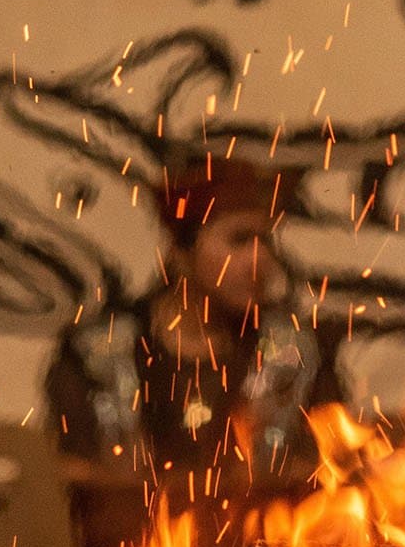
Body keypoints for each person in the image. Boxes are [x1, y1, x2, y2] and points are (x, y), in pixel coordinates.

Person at [45, 154, 344, 508]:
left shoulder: (296, 350)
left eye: (265, 240)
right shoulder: (99, 353)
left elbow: (328, 468)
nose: (260, 259)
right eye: (239, 240)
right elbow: (69, 474)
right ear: (182, 252)